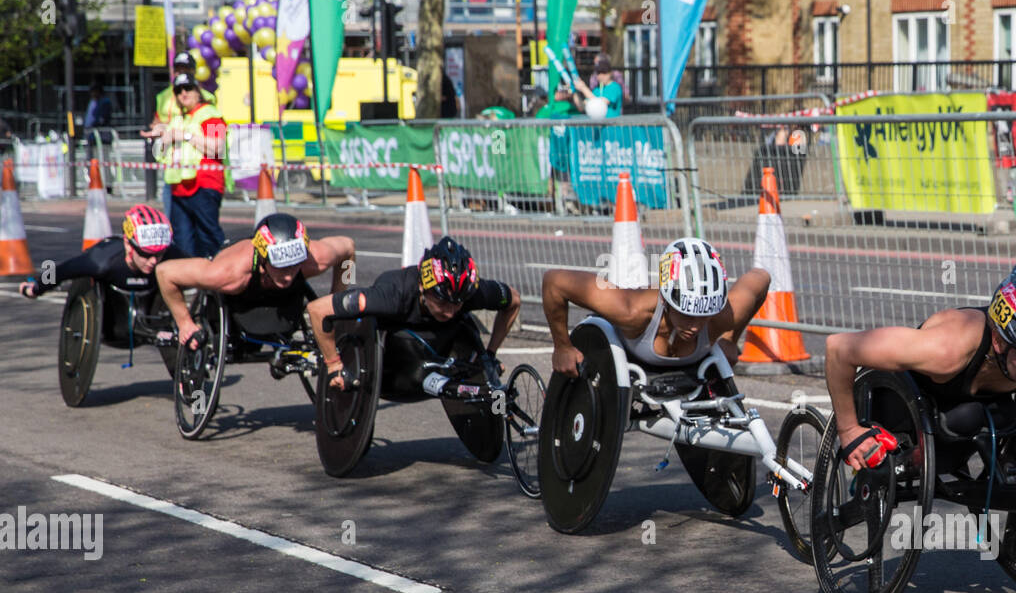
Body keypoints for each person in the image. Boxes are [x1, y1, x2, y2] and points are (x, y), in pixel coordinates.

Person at [825, 264, 1016, 471]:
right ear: (998, 341)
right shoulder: (946, 349)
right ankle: (908, 463)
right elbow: (839, 348)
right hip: (898, 408)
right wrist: (849, 430)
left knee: (992, 416)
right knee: (959, 429)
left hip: (971, 410)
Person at [308, 236, 521, 393]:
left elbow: (514, 301)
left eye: (458, 303)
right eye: (442, 301)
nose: (450, 310)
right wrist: (333, 364)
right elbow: (317, 309)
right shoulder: (391, 296)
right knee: (343, 297)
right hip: (394, 358)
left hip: (441, 346)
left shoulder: (472, 292)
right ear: (422, 286)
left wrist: (491, 354)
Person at [543, 237, 770, 377]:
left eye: (703, 316)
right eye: (686, 314)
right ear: (665, 300)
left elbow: (761, 278)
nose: (694, 326)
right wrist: (562, 346)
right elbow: (554, 281)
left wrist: (730, 339)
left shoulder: (723, 316)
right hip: (631, 354)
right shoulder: (631, 310)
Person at [157, 213, 355, 351]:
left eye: (294, 265)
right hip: (241, 303)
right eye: (281, 266)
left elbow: (348, 248)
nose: (288, 275)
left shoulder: (315, 258)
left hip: (286, 304)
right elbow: (165, 272)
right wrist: (184, 323)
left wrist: (336, 297)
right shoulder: (227, 273)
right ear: (262, 259)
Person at [19, 205, 180, 304]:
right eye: (146, 254)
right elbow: (62, 269)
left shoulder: (170, 255)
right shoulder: (102, 261)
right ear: (128, 245)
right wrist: (36, 288)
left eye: (159, 254)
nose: (153, 261)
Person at [154, 73, 227, 257]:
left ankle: (217, 281)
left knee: (209, 240)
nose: (183, 94)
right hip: (179, 189)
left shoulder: (210, 114)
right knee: (183, 245)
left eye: (187, 89)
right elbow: (160, 154)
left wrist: (186, 136)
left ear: (198, 91)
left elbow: (218, 148)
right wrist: (161, 138)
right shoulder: (179, 119)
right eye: (178, 91)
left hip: (203, 185)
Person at [140, 52, 215, 220]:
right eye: (179, 69)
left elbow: (212, 133)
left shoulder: (206, 97)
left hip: (198, 169)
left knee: (202, 224)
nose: (181, 73)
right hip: (174, 168)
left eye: (186, 69)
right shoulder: (164, 97)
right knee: (175, 221)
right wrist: (160, 131)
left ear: (194, 71)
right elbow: (157, 122)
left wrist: (181, 134)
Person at [572, 53, 623, 118]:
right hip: (597, 126)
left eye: (604, 72)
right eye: (598, 73)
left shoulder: (615, 87)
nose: (601, 76)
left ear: (610, 73)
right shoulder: (596, 90)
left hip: (612, 126)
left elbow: (600, 104)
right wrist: (574, 91)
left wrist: (583, 88)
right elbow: (582, 107)